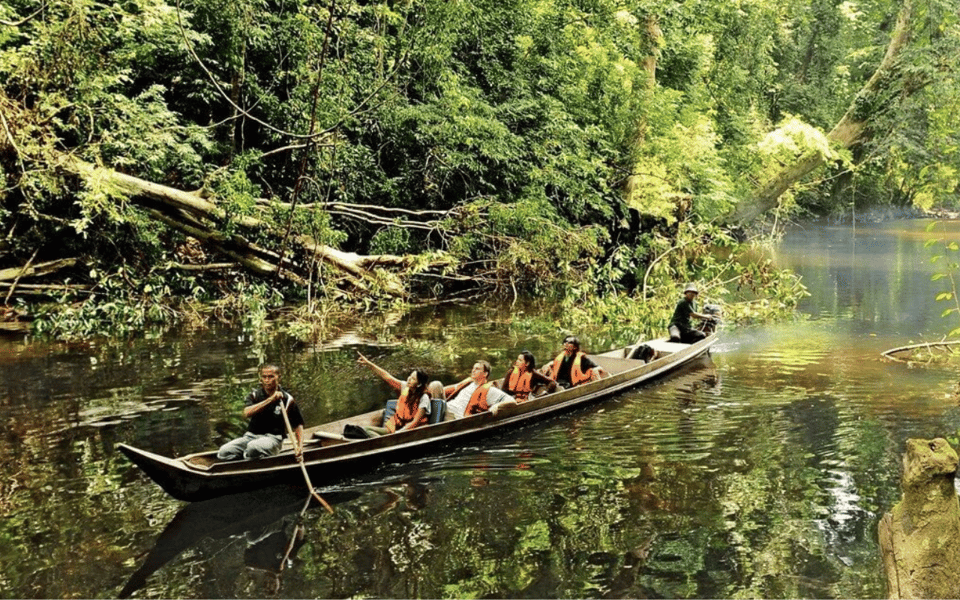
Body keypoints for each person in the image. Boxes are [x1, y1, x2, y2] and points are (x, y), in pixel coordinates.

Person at [217, 364, 304, 461]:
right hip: (250, 436)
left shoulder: (287, 399)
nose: (267, 380)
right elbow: (246, 413)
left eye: (271, 377)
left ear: (278, 378)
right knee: (224, 452)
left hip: (273, 438)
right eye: (264, 377)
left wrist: (299, 447)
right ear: (261, 378)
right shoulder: (254, 395)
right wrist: (270, 400)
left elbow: (298, 424)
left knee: (253, 448)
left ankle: (253, 458)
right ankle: (247, 460)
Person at [356, 353, 431, 435]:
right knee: (365, 429)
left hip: (410, 433)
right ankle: (382, 442)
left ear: (419, 384)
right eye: (410, 376)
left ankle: (382, 442)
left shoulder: (424, 398)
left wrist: (398, 434)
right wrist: (368, 363)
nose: (409, 379)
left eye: (413, 378)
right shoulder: (404, 387)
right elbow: (386, 376)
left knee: (367, 433)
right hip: (396, 428)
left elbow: (415, 422)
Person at [442, 360, 515, 419]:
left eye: (477, 369)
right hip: (446, 407)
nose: (473, 370)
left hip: (453, 415)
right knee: (436, 386)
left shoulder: (489, 390)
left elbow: (512, 400)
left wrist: (497, 406)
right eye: (473, 368)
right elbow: (453, 387)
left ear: (485, 374)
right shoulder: (468, 383)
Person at [541, 336, 607, 388]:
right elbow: (557, 364)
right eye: (565, 341)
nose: (566, 343)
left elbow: (597, 367)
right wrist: (549, 364)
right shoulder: (560, 357)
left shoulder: (581, 359)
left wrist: (596, 371)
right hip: (558, 383)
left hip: (571, 385)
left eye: (570, 342)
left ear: (575, 347)